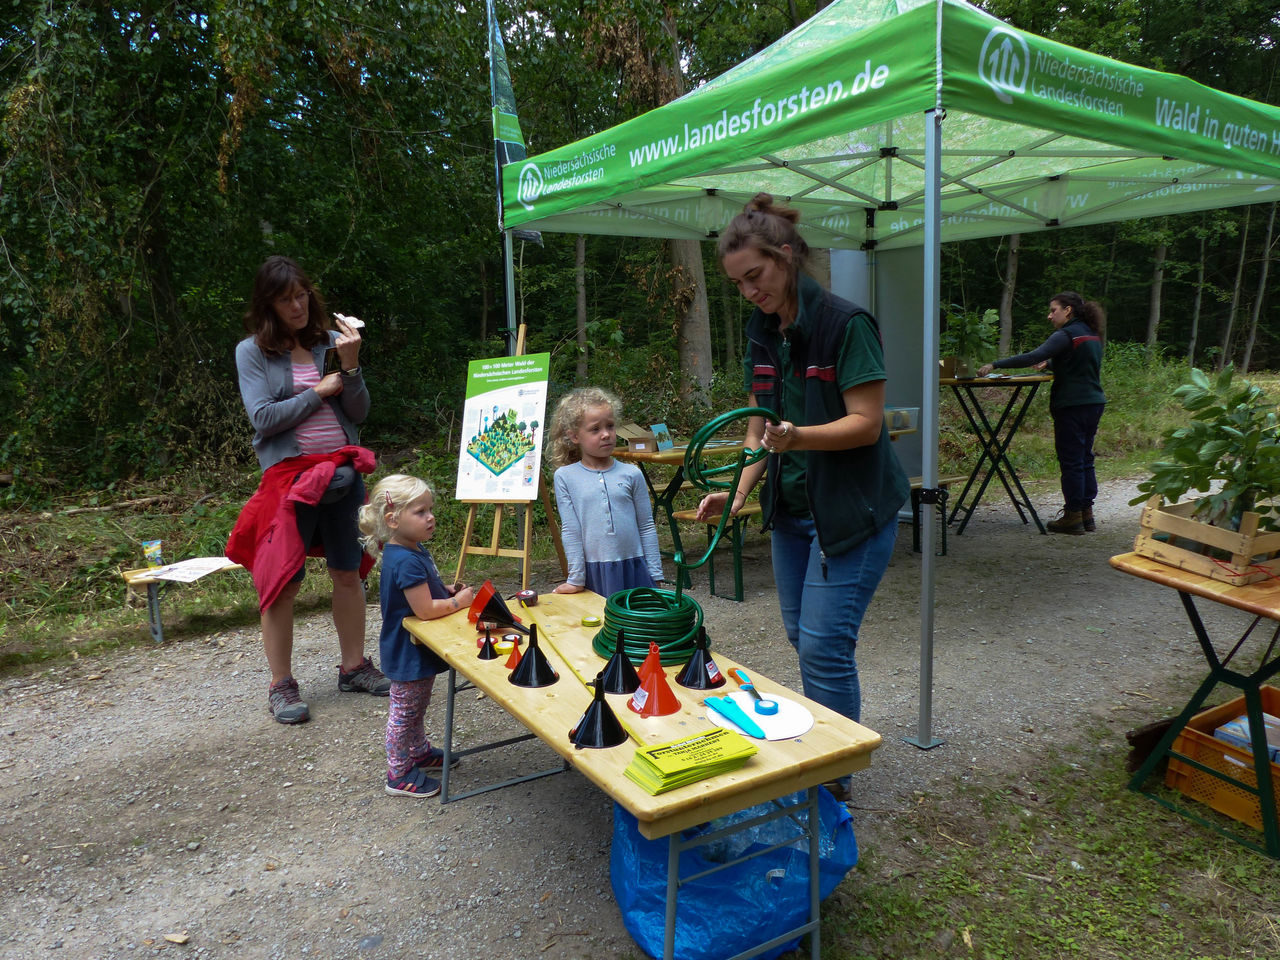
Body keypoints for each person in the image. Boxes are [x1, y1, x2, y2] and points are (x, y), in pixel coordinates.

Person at [695, 194, 910, 798]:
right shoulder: (761, 332)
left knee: (823, 645)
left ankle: (832, 782)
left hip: (853, 511)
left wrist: (800, 436)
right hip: (792, 513)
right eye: (737, 284)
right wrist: (736, 497)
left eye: (755, 277)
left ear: (786, 257)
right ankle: (826, 754)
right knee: (800, 635)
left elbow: (868, 422)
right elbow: (757, 427)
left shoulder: (846, 324)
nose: (749, 293)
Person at [228, 255, 390, 726]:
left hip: (343, 475)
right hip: (290, 481)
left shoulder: (331, 343)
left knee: (349, 572)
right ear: (268, 305)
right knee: (283, 581)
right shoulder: (253, 352)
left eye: (301, 296)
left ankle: (354, 667)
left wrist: (351, 366)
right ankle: (281, 684)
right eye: (285, 300)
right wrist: (317, 392)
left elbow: (358, 413)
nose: (297, 306)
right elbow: (263, 418)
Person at [358, 475, 474, 798]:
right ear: (393, 520)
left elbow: (420, 594)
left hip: (413, 646)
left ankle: (418, 751)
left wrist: (445, 590)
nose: (430, 517)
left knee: (417, 705)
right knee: (405, 710)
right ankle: (397, 771)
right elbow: (423, 609)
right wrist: (457, 602)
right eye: (420, 512)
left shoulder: (408, 549)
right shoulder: (406, 560)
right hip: (407, 649)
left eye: (430, 510)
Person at [978, 292, 1106, 535]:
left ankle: (1072, 516)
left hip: (1072, 404)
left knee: (1071, 461)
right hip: (1094, 402)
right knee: (1085, 458)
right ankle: (1086, 514)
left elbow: (1032, 356)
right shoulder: (1091, 334)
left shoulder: (1065, 334)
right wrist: (1051, 364)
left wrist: (996, 364)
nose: (1049, 316)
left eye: (1053, 310)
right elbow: (1080, 363)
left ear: (1068, 310)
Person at [547, 387, 664, 596]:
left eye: (610, 426)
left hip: (635, 569)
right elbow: (571, 530)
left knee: (639, 625)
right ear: (574, 436)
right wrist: (576, 578)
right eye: (595, 429)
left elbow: (646, 525)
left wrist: (655, 573)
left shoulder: (632, 473)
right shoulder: (565, 477)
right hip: (595, 572)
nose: (606, 435)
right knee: (602, 626)